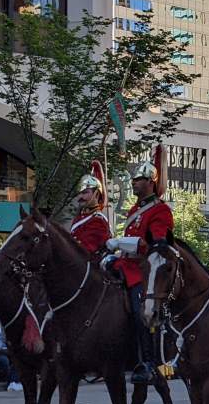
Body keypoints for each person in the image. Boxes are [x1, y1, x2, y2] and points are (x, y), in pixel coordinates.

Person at [103, 155, 174, 384]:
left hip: (142, 271)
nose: (133, 182)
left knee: (139, 311)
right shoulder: (135, 208)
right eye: (134, 179)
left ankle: (149, 362)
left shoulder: (160, 211)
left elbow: (155, 245)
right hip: (124, 264)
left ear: (151, 182)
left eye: (139, 179)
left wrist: (120, 243)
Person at [72, 161, 113, 254]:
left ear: (96, 194)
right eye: (80, 193)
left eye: (85, 192)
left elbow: (85, 250)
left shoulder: (98, 221)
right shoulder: (82, 217)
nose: (80, 197)